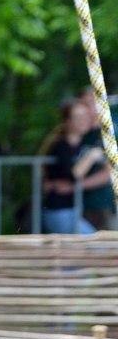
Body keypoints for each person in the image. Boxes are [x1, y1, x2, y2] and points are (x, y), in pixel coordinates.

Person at [40, 98, 100, 234]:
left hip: (72, 211)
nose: (83, 120)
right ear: (67, 121)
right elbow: (74, 174)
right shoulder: (61, 146)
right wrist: (91, 156)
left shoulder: (80, 144)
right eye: (78, 117)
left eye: (85, 116)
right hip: (59, 212)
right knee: (98, 247)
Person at [76, 87, 116, 231]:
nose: (86, 109)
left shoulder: (110, 132)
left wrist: (73, 187)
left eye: (90, 103)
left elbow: (109, 173)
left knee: (106, 248)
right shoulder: (81, 133)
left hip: (103, 204)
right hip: (80, 204)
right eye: (83, 104)